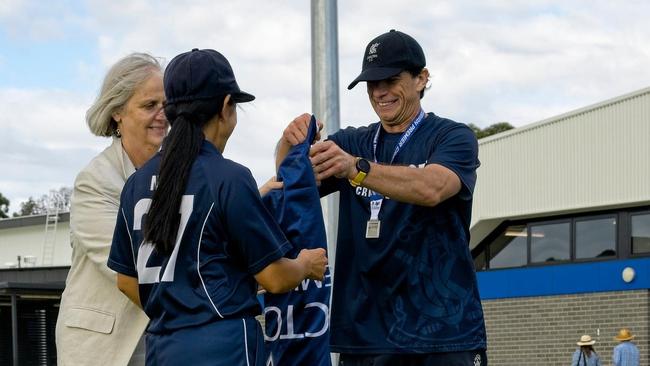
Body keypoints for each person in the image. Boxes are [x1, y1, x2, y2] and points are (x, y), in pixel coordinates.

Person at [279, 29, 487, 366]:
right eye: (371, 84)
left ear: (421, 79)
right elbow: (290, 182)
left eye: (390, 80)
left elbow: (433, 188)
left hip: (443, 337)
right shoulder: (351, 141)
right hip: (364, 338)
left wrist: (356, 169)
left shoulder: (452, 136)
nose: (380, 92)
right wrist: (289, 143)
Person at [107, 48, 328, 366]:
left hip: (162, 346)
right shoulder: (229, 178)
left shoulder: (136, 183)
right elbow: (275, 277)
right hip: (224, 345)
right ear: (225, 107)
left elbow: (126, 280)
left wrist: (178, 309)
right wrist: (306, 264)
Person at [56, 53, 166, 366]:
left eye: (167, 104)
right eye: (149, 105)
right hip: (99, 350)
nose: (163, 115)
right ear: (117, 111)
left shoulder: (177, 176)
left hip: (161, 345)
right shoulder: (94, 181)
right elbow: (132, 266)